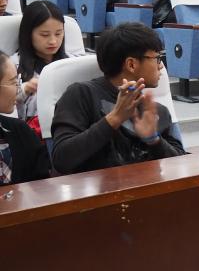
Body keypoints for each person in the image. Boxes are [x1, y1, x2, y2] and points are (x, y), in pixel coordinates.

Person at [50, 23, 186, 175]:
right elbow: (62, 159)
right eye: (157, 58)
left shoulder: (155, 110)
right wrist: (114, 119)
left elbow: (181, 165)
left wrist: (154, 140)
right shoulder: (81, 94)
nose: (161, 66)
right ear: (131, 64)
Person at [15, 0, 69, 135]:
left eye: (58, 33)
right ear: (28, 34)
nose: (53, 41)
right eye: (45, 35)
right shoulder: (12, 66)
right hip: (34, 135)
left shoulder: (73, 63)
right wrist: (25, 89)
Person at [0, 51, 50, 185]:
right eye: (13, 82)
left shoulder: (21, 132)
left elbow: (42, 185)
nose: (18, 89)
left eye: (18, 82)